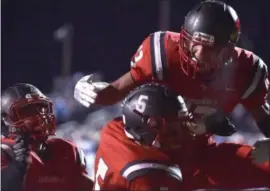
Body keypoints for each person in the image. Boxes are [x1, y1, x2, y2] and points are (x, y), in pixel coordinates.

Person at [74, 0, 269, 161]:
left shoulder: (247, 70)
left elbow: (263, 117)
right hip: (148, 150)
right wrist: (92, 92)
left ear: (228, 50)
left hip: (196, 153)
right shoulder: (163, 53)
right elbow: (116, 90)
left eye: (210, 49)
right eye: (194, 44)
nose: (198, 54)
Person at [94, 83, 270, 190]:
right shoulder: (151, 175)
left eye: (181, 124)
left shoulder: (115, 129)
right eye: (172, 129)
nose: (183, 132)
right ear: (145, 129)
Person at [1, 83, 94, 191]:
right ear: (5, 120)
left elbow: (89, 187)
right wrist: (17, 168)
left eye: (41, 108)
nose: (39, 116)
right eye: (28, 111)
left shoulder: (64, 149)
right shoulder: (5, 151)